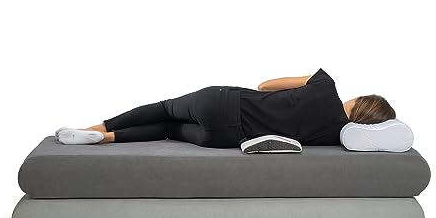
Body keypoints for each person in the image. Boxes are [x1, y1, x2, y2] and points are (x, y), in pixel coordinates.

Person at [56, 68, 396, 148]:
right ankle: (108, 139)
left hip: (223, 103)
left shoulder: (325, 86)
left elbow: (264, 85)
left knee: (164, 108)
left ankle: (96, 129)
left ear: (359, 102)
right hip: (224, 139)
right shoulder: (336, 137)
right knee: (169, 130)